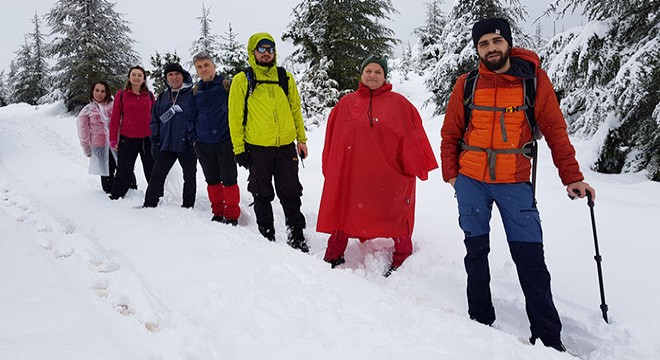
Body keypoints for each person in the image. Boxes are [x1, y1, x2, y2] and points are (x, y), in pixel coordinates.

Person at [440, 18, 597, 352]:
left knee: (530, 257)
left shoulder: (534, 81)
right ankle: (480, 320)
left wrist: (572, 176)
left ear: (507, 43)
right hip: (470, 181)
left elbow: (555, 130)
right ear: (477, 49)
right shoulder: (466, 84)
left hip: (514, 181)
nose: (491, 48)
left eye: (496, 41)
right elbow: (450, 133)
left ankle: (547, 338)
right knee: (476, 251)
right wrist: (452, 174)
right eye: (483, 44)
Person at [317, 56, 438, 276]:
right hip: (353, 174)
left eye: (378, 72)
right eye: (368, 71)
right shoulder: (346, 103)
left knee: (398, 210)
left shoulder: (400, 104)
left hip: (389, 174)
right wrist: (332, 169)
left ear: (385, 76)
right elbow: (333, 140)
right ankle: (334, 253)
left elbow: (413, 136)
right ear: (361, 75)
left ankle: (402, 255)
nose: (372, 75)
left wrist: (415, 165)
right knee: (344, 208)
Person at [228, 32, 309, 252]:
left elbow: (295, 110)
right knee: (261, 193)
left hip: (285, 147)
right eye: (262, 49)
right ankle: (266, 235)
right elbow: (234, 117)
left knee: (291, 192)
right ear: (253, 52)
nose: (266, 53)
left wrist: (301, 139)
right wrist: (239, 149)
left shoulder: (285, 77)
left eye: (270, 49)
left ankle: (296, 234)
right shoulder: (243, 79)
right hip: (257, 148)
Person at [187, 53, 240, 225]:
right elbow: (190, 118)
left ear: (214, 66)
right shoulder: (195, 92)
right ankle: (217, 212)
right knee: (212, 180)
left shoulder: (227, 86)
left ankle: (232, 215)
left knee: (229, 180)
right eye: (199, 67)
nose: (203, 69)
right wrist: (194, 140)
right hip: (203, 145)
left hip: (225, 143)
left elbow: (238, 112)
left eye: (206, 65)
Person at [143, 63, 197, 208]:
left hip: (187, 144)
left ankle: (188, 206)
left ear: (183, 75)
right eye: (170, 75)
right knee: (157, 175)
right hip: (166, 143)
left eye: (177, 74)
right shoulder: (162, 96)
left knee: (189, 177)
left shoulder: (192, 94)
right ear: (166, 79)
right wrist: (154, 139)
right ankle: (150, 203)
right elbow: (154, 119)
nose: (174, 77)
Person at [108, 65, 155, 200]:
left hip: (147, 139)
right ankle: (117, 195)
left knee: (151, 170)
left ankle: (155, 195)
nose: (136, 77)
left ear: (144, 79)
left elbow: (155, 117)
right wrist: (113, 139)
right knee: (124, 169)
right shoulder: (121, 95)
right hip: (127, 138)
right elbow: (115, 118)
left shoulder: (149, 95)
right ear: (129, 77)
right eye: (134, 74)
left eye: (139, 75)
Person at [76, 81, 116, 193]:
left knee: (123, 169)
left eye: (103, 91)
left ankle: (130, 191)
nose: (99, 93)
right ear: (92, 92)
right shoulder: (87, 110)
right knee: (106, 173)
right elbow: (83, 130)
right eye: (97, 90)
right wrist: (86, 148)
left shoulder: (113, 106)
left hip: (115, 143)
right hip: (99, 145)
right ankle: (110, 197)